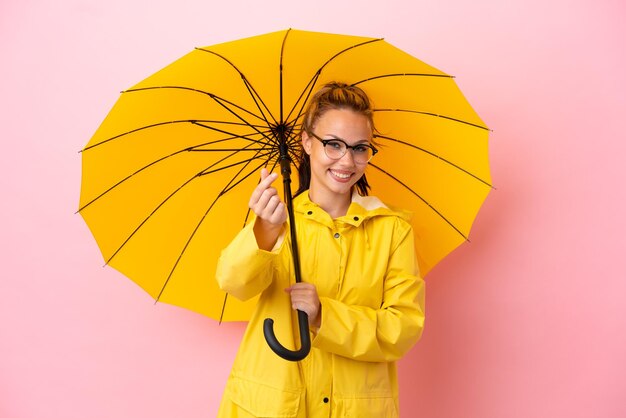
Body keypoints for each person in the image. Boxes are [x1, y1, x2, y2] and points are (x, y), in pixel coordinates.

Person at [216, 82, 425, 417]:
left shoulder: (392, 230)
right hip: (274, 405)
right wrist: (264, 231)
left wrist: (324, 316)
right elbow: (233, 283)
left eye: (360, 148)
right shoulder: (279, 221)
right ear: (306, 142)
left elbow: (402, 327)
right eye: (333, 145)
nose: (347, 160)